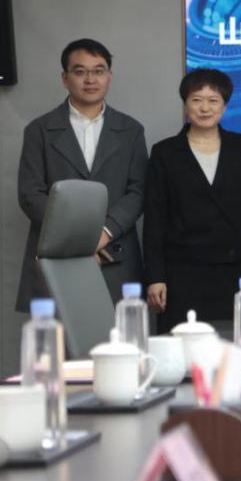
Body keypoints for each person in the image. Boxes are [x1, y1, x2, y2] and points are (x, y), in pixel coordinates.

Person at [17, 39, 148, 311]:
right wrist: (79, 240)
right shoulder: (39, 130)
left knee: (122, 334)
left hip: (114, 253)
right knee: (56, 336)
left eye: (98, 71)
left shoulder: (131, 130)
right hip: (58, 257)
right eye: (80, 71)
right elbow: (30, 194)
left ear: (109, 77)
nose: (90, 79)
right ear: (65, 78)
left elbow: (138, 191)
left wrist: (104, 233)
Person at [143, 69, 241, 333]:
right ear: (185, 104)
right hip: (181, 275)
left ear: (225, 105)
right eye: (197, 100)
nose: (205, 108)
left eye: (213, 100)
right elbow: (154, 220)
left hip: (235, 272)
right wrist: (155, 277)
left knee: (235, 348)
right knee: (181, 348)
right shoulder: (165, 152)